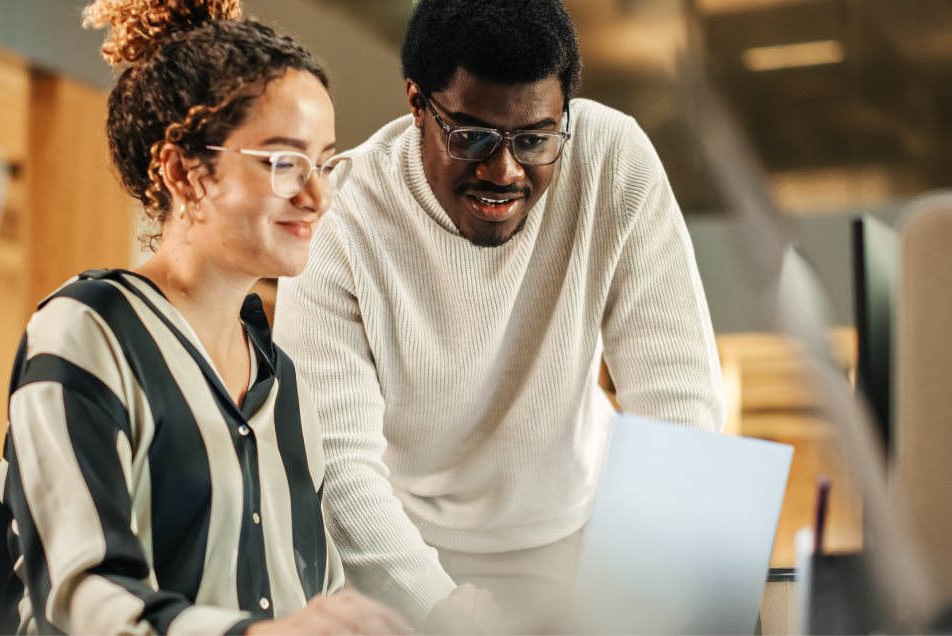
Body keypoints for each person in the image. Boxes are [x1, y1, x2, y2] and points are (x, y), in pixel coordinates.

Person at [273, 0, 727, 630]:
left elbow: (678, 401)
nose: (504, 171)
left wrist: (647, 590)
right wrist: (442, 609)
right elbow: (340, 467)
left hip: (576, 539)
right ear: (416, 104)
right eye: (472, 136)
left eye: (535, 139)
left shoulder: (611, 159)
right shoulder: (342, 218)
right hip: (402, 556)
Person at [0, 2, 412, 635]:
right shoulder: (89, 331)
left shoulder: (285, 384)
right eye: (283, 162)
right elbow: (80, 599)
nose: (318, 196)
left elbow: (313, 597)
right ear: (184, 173)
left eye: (325, 162)